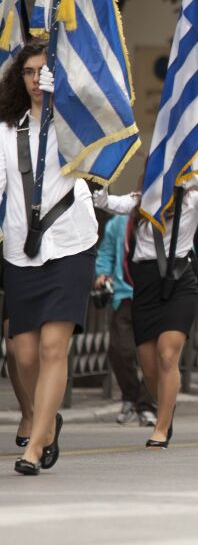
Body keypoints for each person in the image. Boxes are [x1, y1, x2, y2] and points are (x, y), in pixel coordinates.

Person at [1, 41, 99, 475]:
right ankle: (48, 423)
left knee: (53, 348)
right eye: (29, 72)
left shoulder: (77, 127)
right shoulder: (6, 131)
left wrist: (71, 105)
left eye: (44, 71)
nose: (36, 79)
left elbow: (102, 160)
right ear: (18, 79)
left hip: (70, 246)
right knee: (23, 355)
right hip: (22, 251)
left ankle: (34, 447)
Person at [96, 174, 198, 448]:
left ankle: (161, 426)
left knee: (167, 354)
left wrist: (196, 180)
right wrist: (99, 190)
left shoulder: (192, 200)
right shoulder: (141, 201)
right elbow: (111, 203)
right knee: (148, 366)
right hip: (145, 284)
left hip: (179, 281)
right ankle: (165, 405)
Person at [93, 212, 157, 428]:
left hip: (156, 298)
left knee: (157, 354)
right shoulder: (119, 224)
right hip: (125, 295)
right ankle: (131, 396)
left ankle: (146, 406)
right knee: (120, 350)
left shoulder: (170, 219)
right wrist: (102, 273)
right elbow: (106, 253)